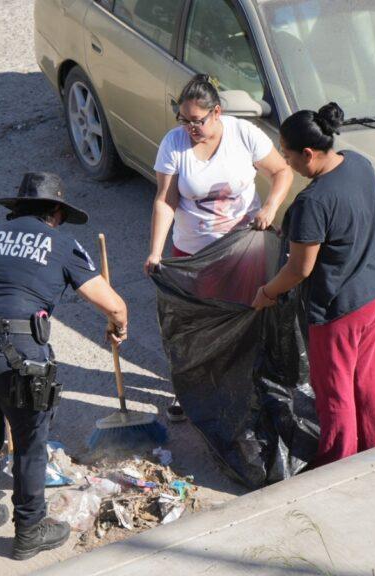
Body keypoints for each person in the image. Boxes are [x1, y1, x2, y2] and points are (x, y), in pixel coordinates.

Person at [0, 172, 128, 560]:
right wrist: (118, 328)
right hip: (17, 356)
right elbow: (113, 305)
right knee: (29, 445)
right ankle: (30, 529)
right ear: (57, 211)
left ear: (19, 207)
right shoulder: (63, 243)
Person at [252, 103, 375, 467]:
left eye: (287, 156)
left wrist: (268, 292)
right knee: (368, 380)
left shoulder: (312, 202)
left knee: (334, 392)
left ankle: (338, 464)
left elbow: (300, 269)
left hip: (340, 309)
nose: (286, 164)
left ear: (308, 153)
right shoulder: (357, 163)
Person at [145, 73, 293, 422]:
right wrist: (155, 251)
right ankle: (191, 389)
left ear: (217, 112)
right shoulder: (174, 144)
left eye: (197, 121)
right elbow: (166, 200)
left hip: (243, 247)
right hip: (194, 254)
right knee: (197, 324)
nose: (190, 128)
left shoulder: (243, 134)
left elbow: (281, 171)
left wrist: (270, 207)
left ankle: (244, 385)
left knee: (245, 316)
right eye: (184, 120)